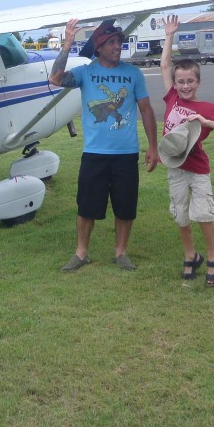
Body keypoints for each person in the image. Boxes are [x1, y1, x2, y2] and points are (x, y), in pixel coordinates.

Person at [49, 18, 160, 271]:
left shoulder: (133, 74)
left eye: (119, 42)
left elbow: (146, 110)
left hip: (126, 153)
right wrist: (67, 43)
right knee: (87, 205)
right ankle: (81, 253)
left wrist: (153, 146)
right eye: (111, 42)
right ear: (98, 47)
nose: (117, 46)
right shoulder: (85, 73)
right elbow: (55, 78)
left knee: (125, 204)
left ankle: (121, 253)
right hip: (94, 153)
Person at [159, 16, 214, 285]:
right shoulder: (172, 98)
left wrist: (206, 122)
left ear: (198, 82)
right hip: (174, 167)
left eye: (190, 81)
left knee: (202, 212)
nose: (185, 86)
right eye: (180, 82)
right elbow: (165, 64)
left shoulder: (206, 108)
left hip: (197, 168)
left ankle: (213, 256)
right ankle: (191, 255)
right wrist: (170, 35)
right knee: (180, 214)